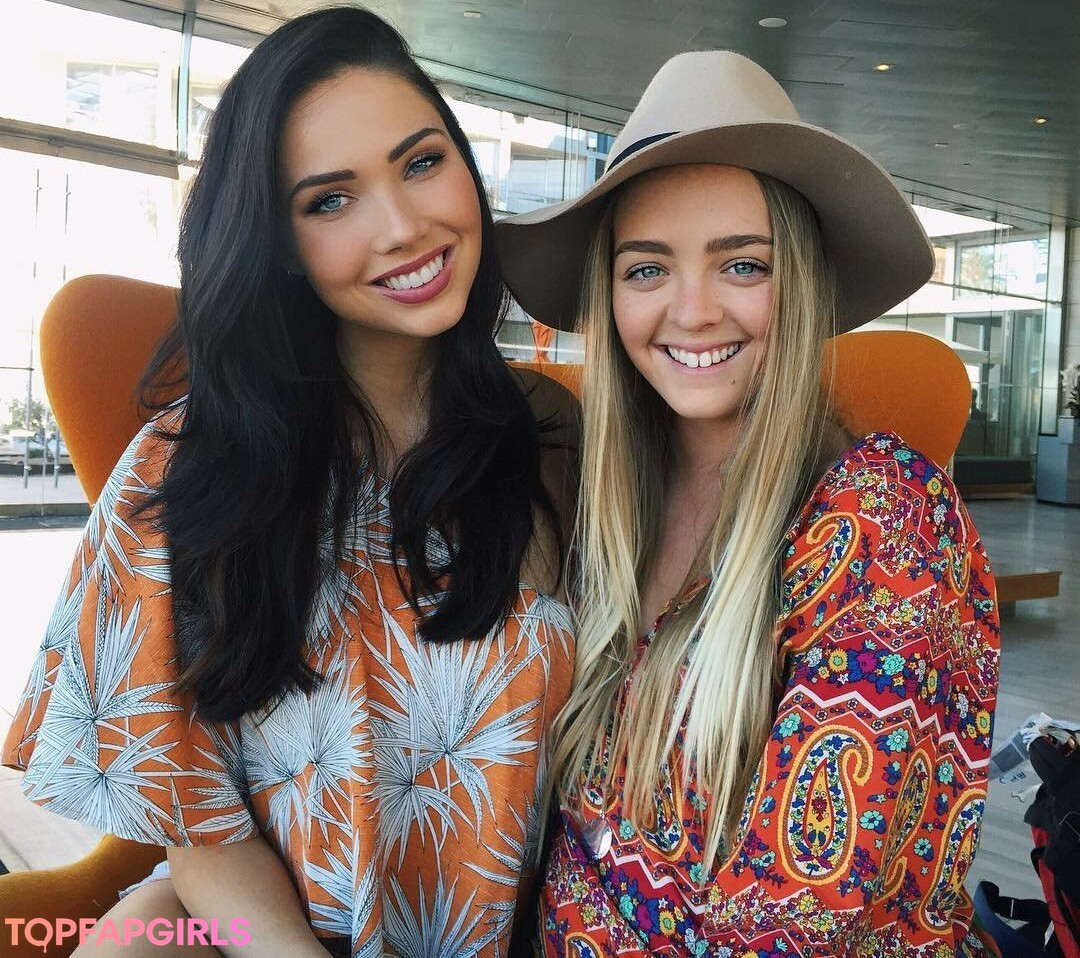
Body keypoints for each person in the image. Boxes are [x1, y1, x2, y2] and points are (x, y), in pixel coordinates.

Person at [2, 7, 577, 956]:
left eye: (421, 162)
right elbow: (195, 813)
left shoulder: (560, 436)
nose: (404, 227)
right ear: (275, 241)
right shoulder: (187, 466)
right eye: (330, 201)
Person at [495, 51, 1000, 956]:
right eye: (646, 269)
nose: (692, 311)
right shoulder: (595, 499)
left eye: (741, 265)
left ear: (800, 280)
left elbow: (801, 923)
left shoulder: (883, 521)